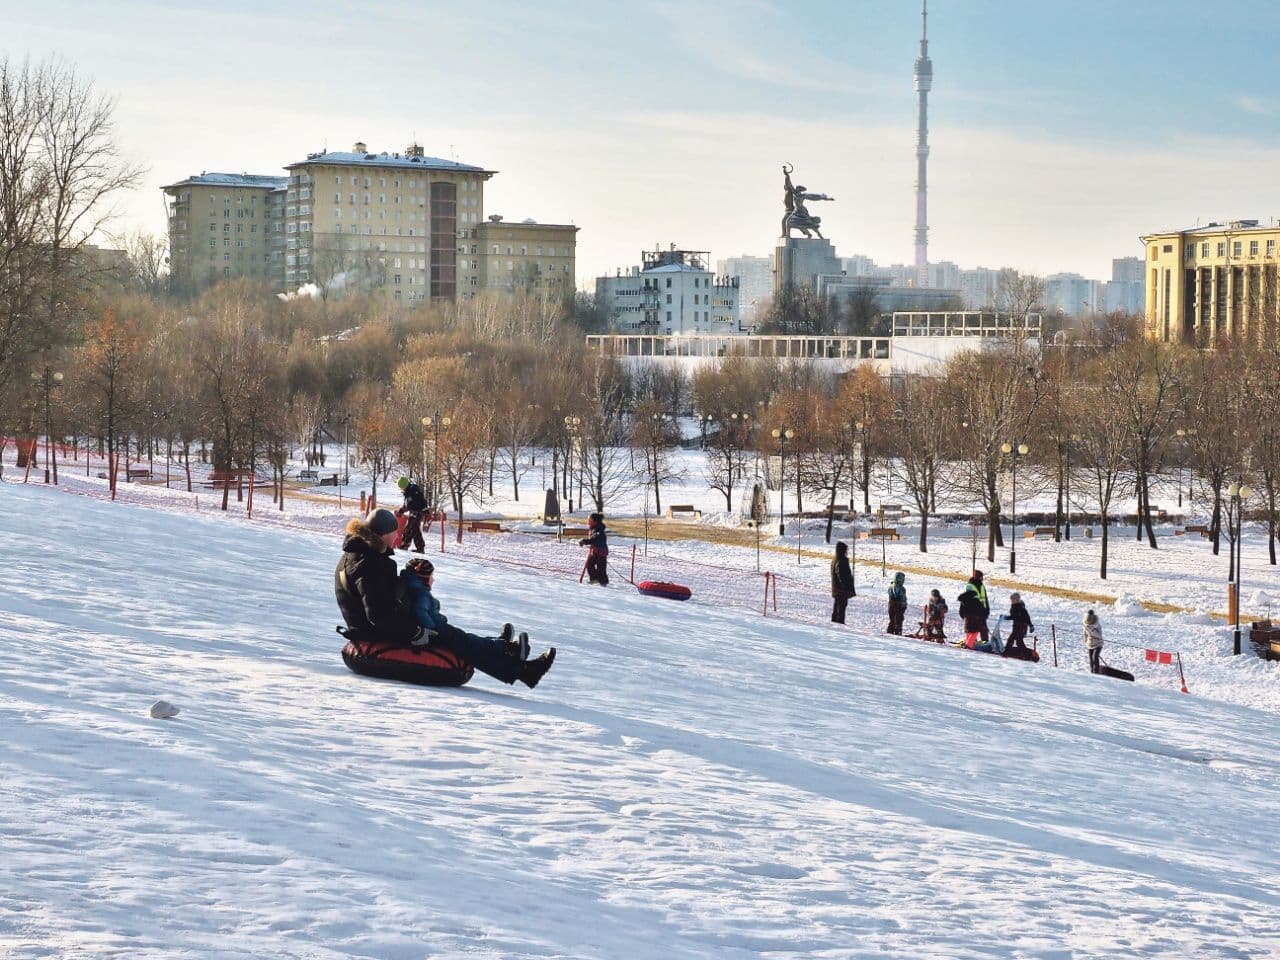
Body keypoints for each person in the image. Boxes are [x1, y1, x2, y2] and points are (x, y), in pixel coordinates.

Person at [402, 557, 556, 689]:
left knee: (470, 644)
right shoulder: (419, 591)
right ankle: (505, 648)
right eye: (431, 576)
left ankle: (521, 666)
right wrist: (432, 629)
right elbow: (420, 612)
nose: (433, 579)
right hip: (436, 632)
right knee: (470, 645)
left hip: (438, 630)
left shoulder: (413, 586)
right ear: (424, 577)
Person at [335, 507, 426, 647]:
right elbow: (379, 614)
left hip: (362, 629)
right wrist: (415, 632)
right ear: (384, 535)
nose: (397, 537)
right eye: (395, 533)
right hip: (374, 635)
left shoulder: (352, 554)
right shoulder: (372, 564)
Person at [395, 475, 428, 553]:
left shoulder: (413, 491)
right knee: (414, 529)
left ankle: (405, 545)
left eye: (401, 487)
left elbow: (417, 502)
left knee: (410, 529)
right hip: (414, 512)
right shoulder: (409, 492)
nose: (401, 489)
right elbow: (408, 504)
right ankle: (419, 548)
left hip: (417, 512)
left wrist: (424, 509)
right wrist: (402, 509)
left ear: (404, 486)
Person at [957, 569, 991, 645]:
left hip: (982, 612)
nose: (982, 579)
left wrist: (987, 610)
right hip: (973, 612)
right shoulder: (970, 586)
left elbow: (985, 599)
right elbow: (965, 599)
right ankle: (971, 644)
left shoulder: (981, 586)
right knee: (973, 629)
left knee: (983, 630)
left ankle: (985, 644)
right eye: (981, 577)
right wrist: (962, 611)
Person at [579, 512, 609, 586]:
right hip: (595, 551)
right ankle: (595, 580)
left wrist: (585, 541)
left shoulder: (598, 530)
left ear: (595, 521)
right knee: (589, 564)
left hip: (601, 552)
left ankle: (603, 583)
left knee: (601, 568)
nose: (588, 521)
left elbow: (595, 540)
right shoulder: (594, 529)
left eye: (590, 520)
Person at [830, 541, 855, 624]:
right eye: (846, 550)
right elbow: (841, 575)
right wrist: (846, 586)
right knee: (841, 608)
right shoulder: (841, 561)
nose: (846, 552)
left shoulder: (835, 559)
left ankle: (834, 622)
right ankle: (839, 624)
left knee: (837, 606)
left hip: (836, 589)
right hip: (841, 590)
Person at [1084, 609, 1104, 674]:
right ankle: (1092, 672)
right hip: (1090, 644)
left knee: (1095, 657)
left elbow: (1099, 636)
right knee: (1091, 659)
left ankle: (1096, 672)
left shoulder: (1097, 625)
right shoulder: (1086, 624)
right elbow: (1085, 633)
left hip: (1098, 644)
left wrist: (1092, 630)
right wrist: (1085, 640)